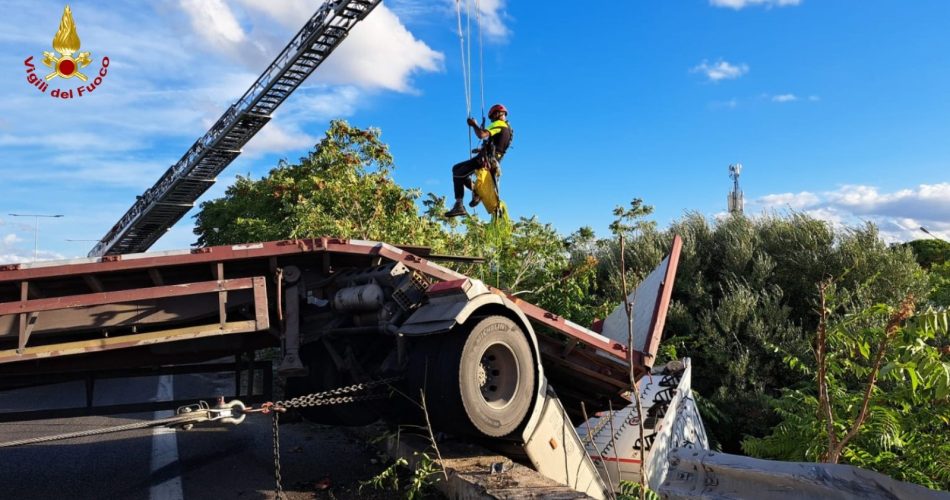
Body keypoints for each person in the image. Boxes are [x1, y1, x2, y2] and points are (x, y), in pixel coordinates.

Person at [444, 103, 513, 217]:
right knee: (459, 172)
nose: (492, 121)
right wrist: (482, 149)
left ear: (497, 114)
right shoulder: (507, 129)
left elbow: (482, 134)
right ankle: (477, 192)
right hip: (490, 160)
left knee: (457, 171)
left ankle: (459, 205)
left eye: (492, 118)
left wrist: (474, 124)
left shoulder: (499, 124)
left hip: (485, 160)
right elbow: (498, 147)